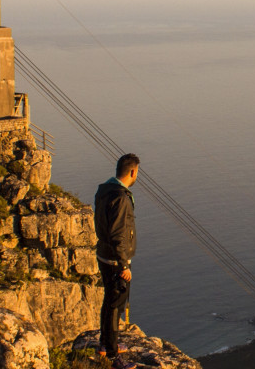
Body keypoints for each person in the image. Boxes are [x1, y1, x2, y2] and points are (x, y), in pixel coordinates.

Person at [95, 153, 139, 360]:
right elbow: (119, 233)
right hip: (115, 260)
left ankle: (106, 343)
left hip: (104, 255)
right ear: (133, 171)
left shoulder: (105, 190)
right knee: (115, 306)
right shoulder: (121, 197)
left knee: (109, 302)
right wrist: (124, 265)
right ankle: (112, 356)